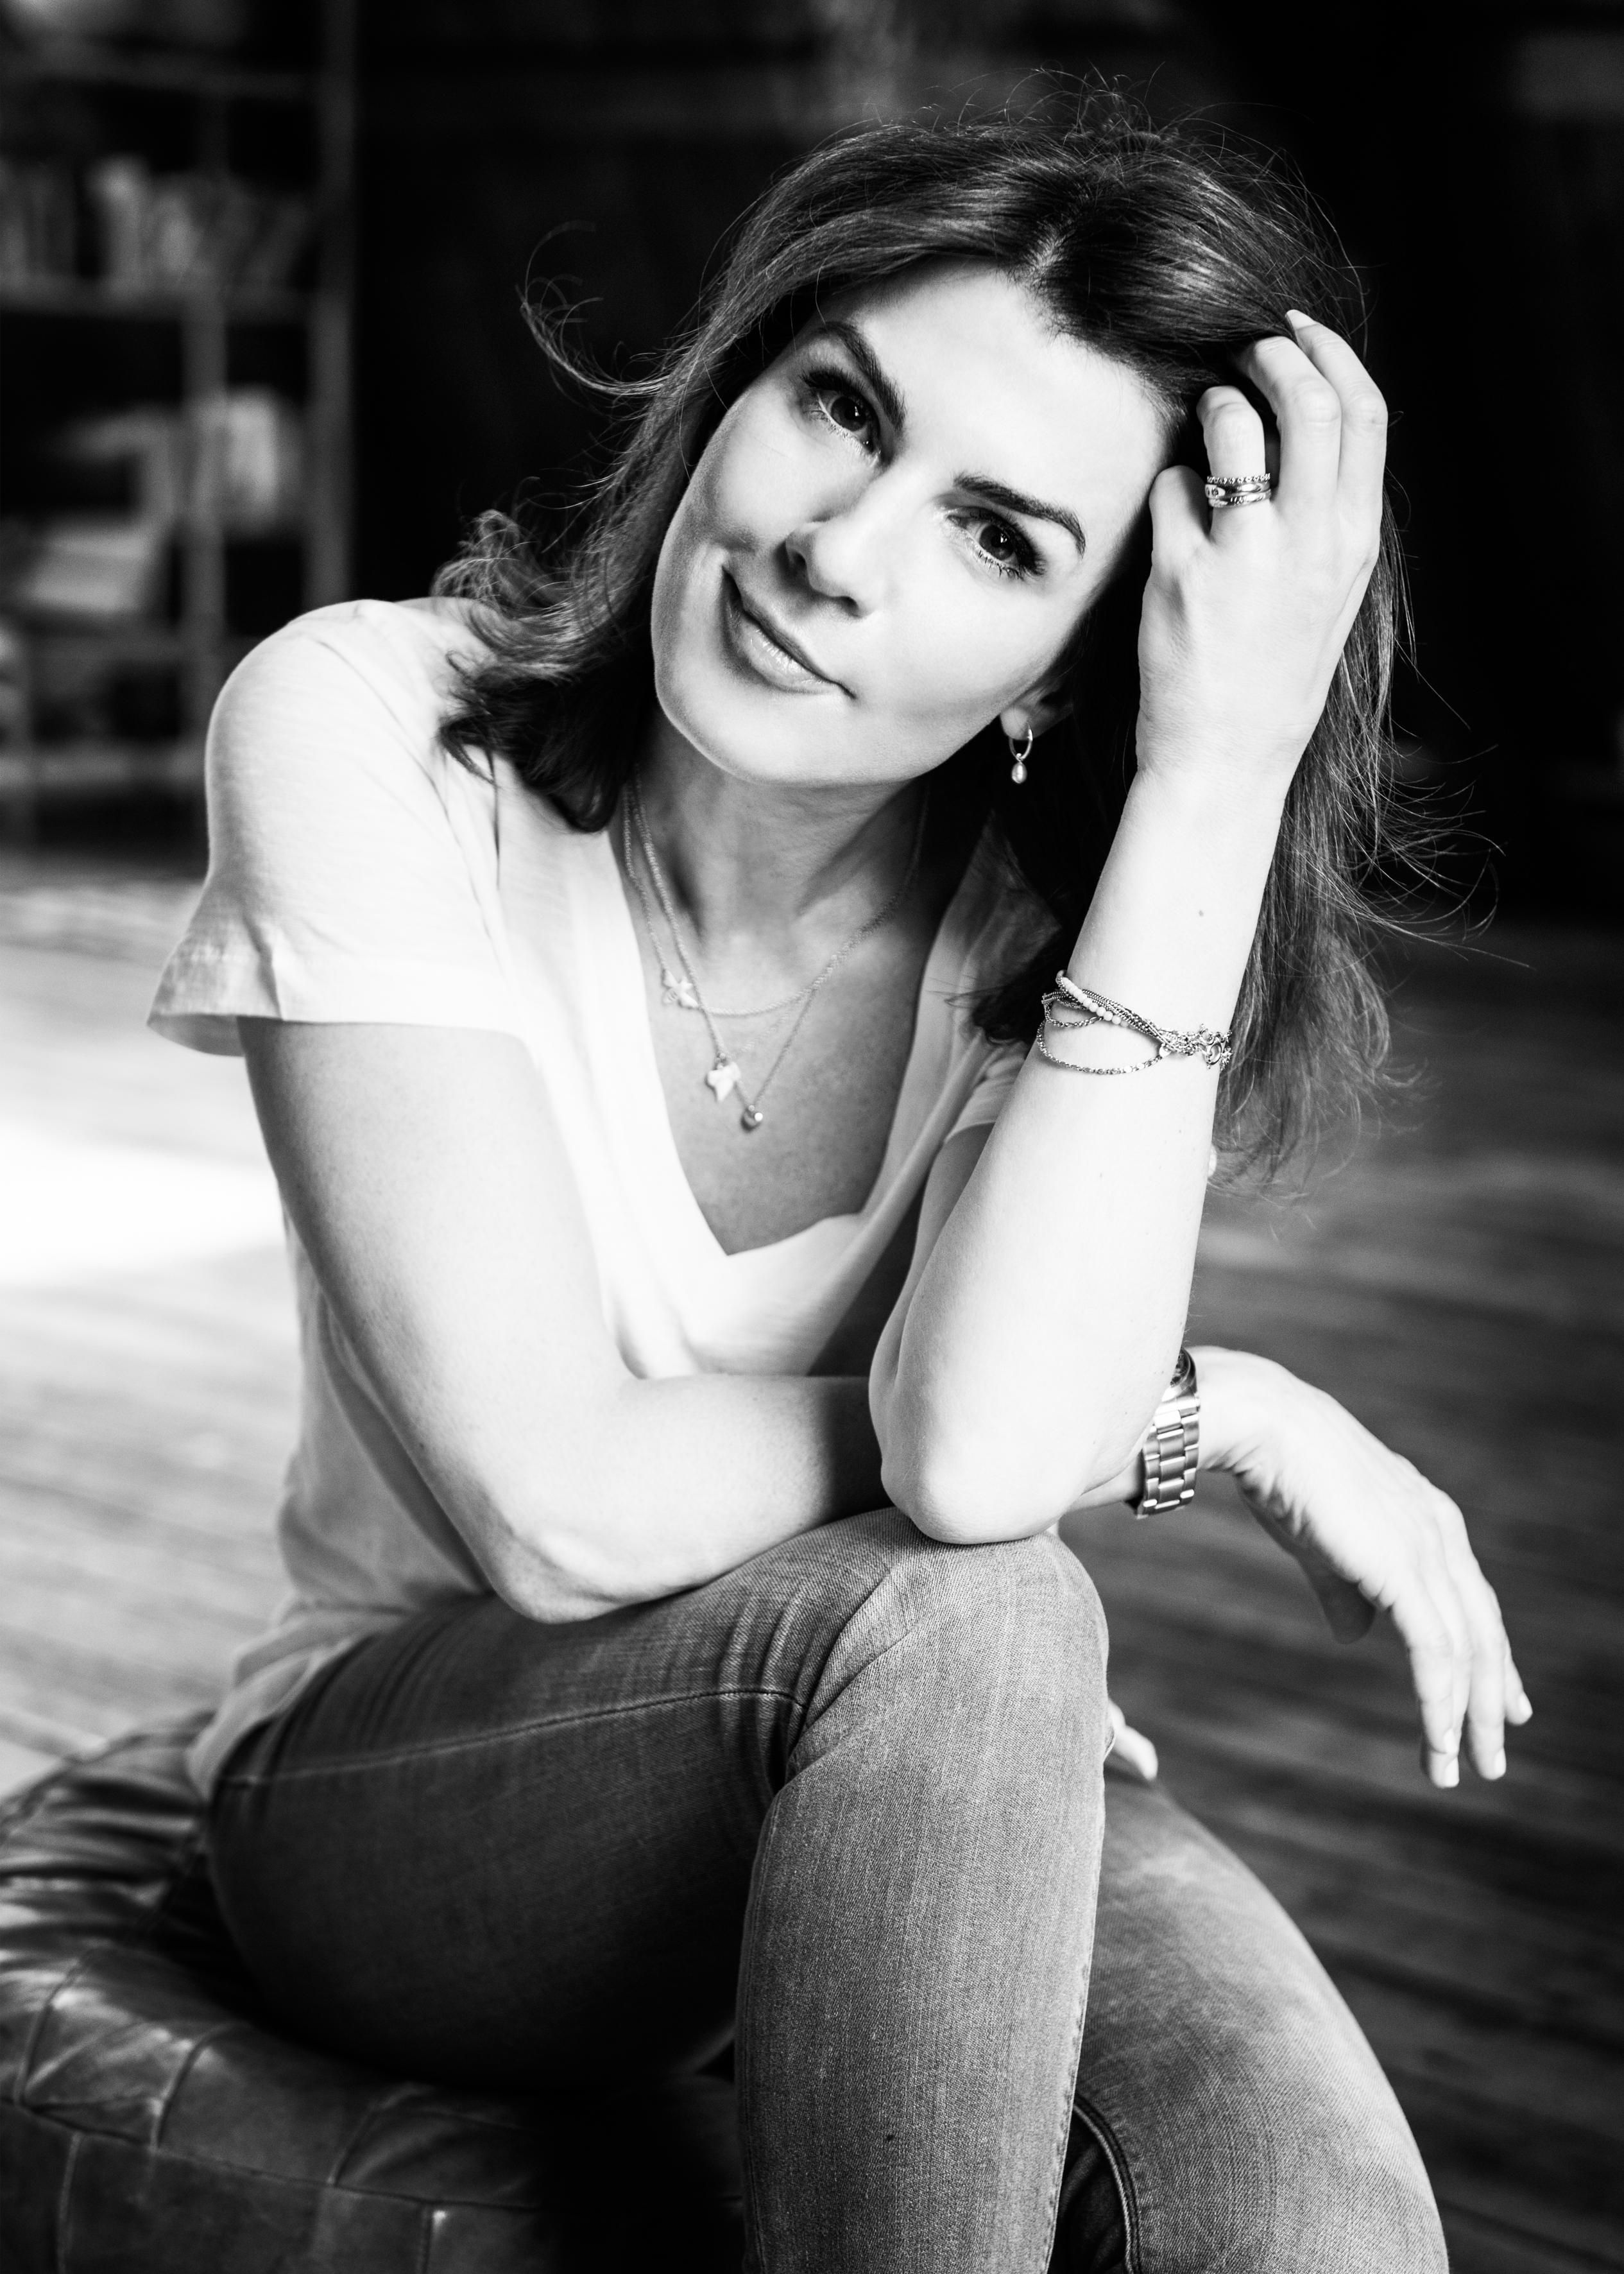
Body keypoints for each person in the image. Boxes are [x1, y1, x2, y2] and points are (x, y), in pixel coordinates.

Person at [151, 92, 1526, 2273]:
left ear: (1075, 659)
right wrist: (1212, 1414)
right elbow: (556, 1504)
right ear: (729, 385)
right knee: (980, 1607)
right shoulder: (363, 723)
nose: (839, 550)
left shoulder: (1067, 940)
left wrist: (1216, 775)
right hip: (399, 1788)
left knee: (1299, 2212)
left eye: (1000, 539)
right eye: (841, 410)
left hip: (910, 1745)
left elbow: (979, 1451)